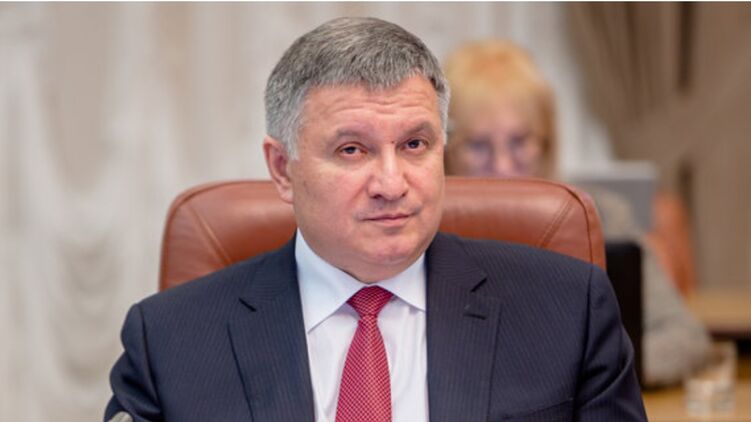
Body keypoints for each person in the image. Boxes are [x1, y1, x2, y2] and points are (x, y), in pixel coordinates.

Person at [105, 18, 646, 421]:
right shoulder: (169, 343)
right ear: (282, 168)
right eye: (351, 150)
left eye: (414, 144)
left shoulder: (567, 311)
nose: (392, 183)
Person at [444, 39, 711, 387]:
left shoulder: (601, 214)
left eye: (520, 142)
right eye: (478, 145)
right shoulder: (419, 229)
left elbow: (685, 337)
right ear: (445, 152)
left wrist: (587, 374)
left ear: (547, 144)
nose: (503, 166)